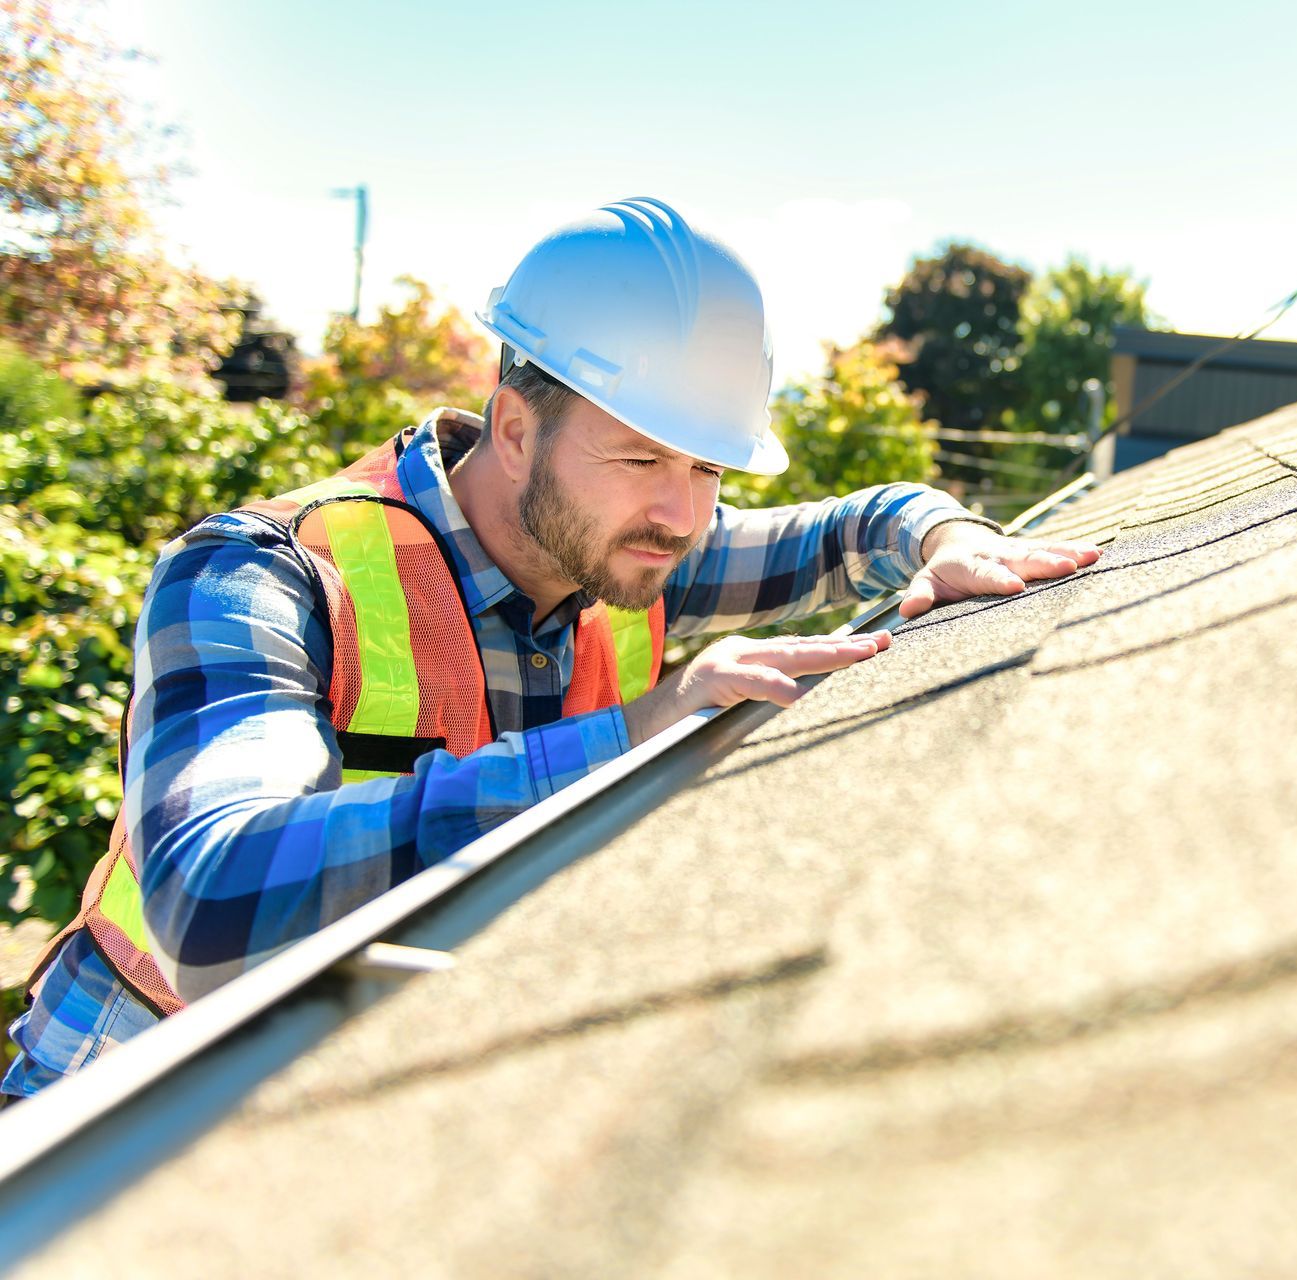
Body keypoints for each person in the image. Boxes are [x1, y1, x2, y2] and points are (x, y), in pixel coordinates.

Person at [1, 198, 1098, 1102]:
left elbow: (858, 523)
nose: (682, 512)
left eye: (711, 469)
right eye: (641, 458)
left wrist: (949, 537)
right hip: (113, 1104)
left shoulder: (630, 551)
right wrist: (633, 739)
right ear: (516, 428)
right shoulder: (262, 575)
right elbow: (211, 903)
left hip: (338, 1098)